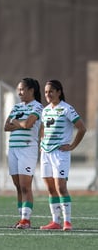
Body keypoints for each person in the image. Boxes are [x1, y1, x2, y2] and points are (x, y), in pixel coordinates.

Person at [39, 80, 86, 231]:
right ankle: (55, 222)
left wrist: (72, 146)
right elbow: (43, 128)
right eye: (46, 92)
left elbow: (82, 128)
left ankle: (67, 222)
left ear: (59, 92)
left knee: (61, 187)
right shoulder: (45, 110)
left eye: (51, 91)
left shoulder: (67, 109)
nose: (48, 94)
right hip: (46, 153)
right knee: (50, 188)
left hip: (60, 153)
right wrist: (42, 141)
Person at [4, 78, 43, 229]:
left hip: (28, 149)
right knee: (17, 186)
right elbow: (6, 126)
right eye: (18, 89)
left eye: (22, 89)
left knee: (25, 185)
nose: (19, 92)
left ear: (31, 90)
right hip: (13, 148)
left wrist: (17, 123)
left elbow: (28, 124)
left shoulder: (38, 106)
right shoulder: (16, 107)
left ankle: (26, 220)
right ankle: (21, 218)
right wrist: (20, 124)